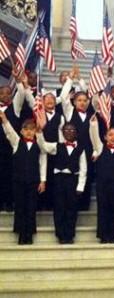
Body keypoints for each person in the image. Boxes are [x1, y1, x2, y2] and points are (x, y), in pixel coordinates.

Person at [36, 121, 87, 244]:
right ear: (63, 133)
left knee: (71, 208)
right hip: (59, 180)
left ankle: (69, 235)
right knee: (59, 207)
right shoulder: (56, 145)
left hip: (72, 180)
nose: (69, 132)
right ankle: (60, 235)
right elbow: (43, 146)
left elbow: (83, 168)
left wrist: (80, 186)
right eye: (67, 130)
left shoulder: (80, 149)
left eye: (72, 130)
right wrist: (39, 133)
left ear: (76, 133)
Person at [0, 113, 46, 244]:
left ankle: (29, 233)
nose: (29, 132)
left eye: (32, 129)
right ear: (21, 131)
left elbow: (43, 163)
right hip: (18, 180)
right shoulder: (16, 142)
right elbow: (9, 131)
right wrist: (4, 119)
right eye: (26, 129)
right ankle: (21, 233)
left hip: (33, 180)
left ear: (35, 131)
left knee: (31, 207)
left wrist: (42, 180)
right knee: (20, 206)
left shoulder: (39, 146)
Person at [60, 67, 95, 210]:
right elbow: (63, 97)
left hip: (88, 150)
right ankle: (73, 204)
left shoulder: (91, 115)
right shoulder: (70, 113)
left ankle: (84, 204)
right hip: (73, 150)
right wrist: (70, 79)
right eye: (79, 100)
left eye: (84, 100)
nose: (82, 102)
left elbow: (95, 135)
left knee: (87, 176)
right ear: (74, 102)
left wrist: (81, 79)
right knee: (74, 177)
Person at [89, 116, 114, 243]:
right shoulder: (100, 148)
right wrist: (94, 124)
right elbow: (94, 137)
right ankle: (103, 235)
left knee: (113, 209)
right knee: (103, 209)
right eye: (110, 135)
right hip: (102, 184)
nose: (113, 137)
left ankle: (112, 235)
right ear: (105, 137)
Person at [0, 69, 26, 212]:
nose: (5, 95)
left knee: (11, 175)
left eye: (7, 92)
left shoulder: (15, 107)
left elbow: (21, 94)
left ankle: (10, 202)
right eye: (2, 93)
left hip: (11, 147)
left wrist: (18, 81)